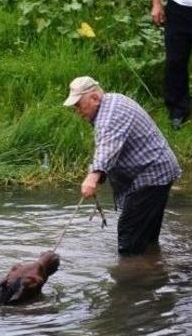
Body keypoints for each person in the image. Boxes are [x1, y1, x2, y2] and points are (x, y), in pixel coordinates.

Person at [64, 76, 181, 255]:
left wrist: (93, 176)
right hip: (157, 171)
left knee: (129, 242)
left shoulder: (109, 116)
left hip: (151, 176)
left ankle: (130, 279)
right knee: (147, 238)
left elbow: (107, 148)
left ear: (94, 98)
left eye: (79, 105)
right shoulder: (113, 101)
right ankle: (154, 270)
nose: (77, 111)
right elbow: (110, 147)